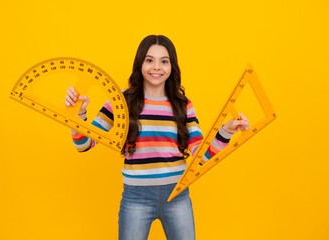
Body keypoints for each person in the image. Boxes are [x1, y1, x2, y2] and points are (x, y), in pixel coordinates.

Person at [64, 35, 250, 240]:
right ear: (140, 63)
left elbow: (201, 156)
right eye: (149, 60)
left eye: (164, 61)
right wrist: (78, 115)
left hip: (177, 196)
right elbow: (84, 145)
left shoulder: (183, 104)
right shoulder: (121, 100)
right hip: (135, 197)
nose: (156, 67)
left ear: (172, 66)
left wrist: (228, 130)